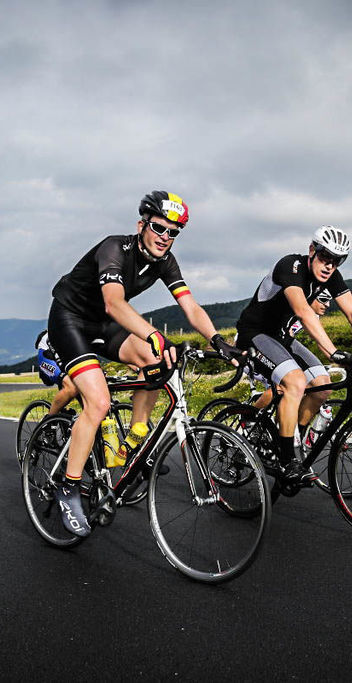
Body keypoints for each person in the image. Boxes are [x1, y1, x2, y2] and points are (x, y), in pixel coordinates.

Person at [47, 191, 243, 536]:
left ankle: (134, 441)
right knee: (99, 402)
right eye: (159, 228)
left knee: (156, 361)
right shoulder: (114, 248)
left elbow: (191, 307)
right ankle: (69, 486)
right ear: (142, 226)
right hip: (70, 319)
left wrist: (217, 339)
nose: (165, 237)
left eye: (173, 232)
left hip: (104, 324)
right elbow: (113, 303)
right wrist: (154, 333)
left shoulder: (166, 261)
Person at [234, 225, 352, 483]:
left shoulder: (332, 276)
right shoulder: (291, 266)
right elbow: (304, 313)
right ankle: (286, 460)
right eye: (325, 257)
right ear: (312, 250)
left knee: (322, 385)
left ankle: (292, 439)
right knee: (295, 382)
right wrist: (334, 352)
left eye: (337, 261)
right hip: (255, 334)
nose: (330, 266)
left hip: (282, 338)